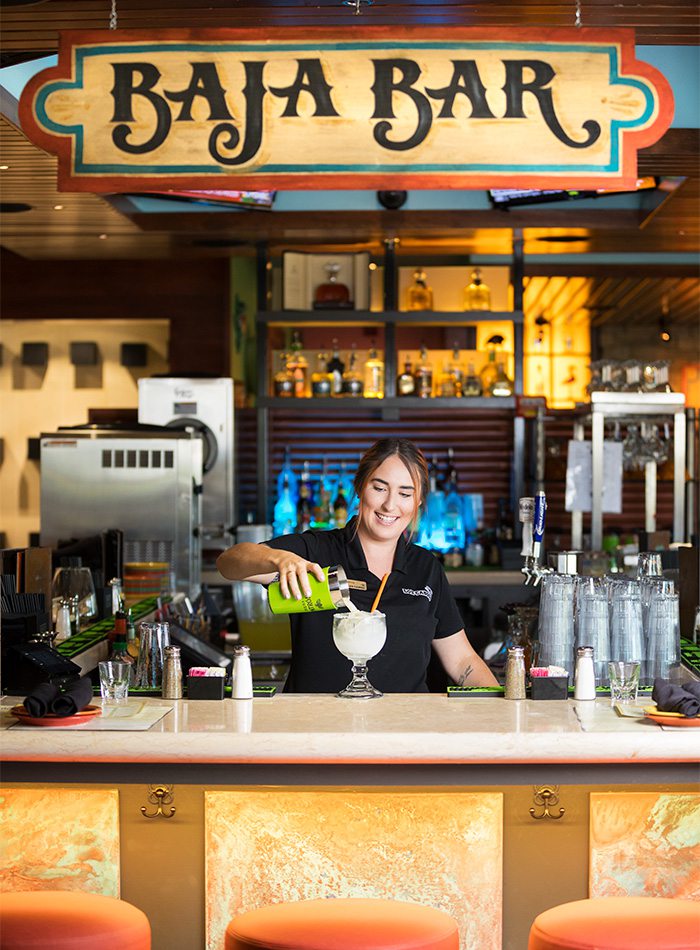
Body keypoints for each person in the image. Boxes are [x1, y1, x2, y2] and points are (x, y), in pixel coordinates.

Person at [217, 438, 498, 693]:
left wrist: (500, 710)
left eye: (405, 493)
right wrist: (279, 558)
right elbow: (229, 562)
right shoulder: (317, 551)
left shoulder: (425, 568)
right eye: (379, 488)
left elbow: (462, 661)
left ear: (418, 501)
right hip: (317, 728)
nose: (390, 505)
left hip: (407, 728)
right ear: (360, 488)